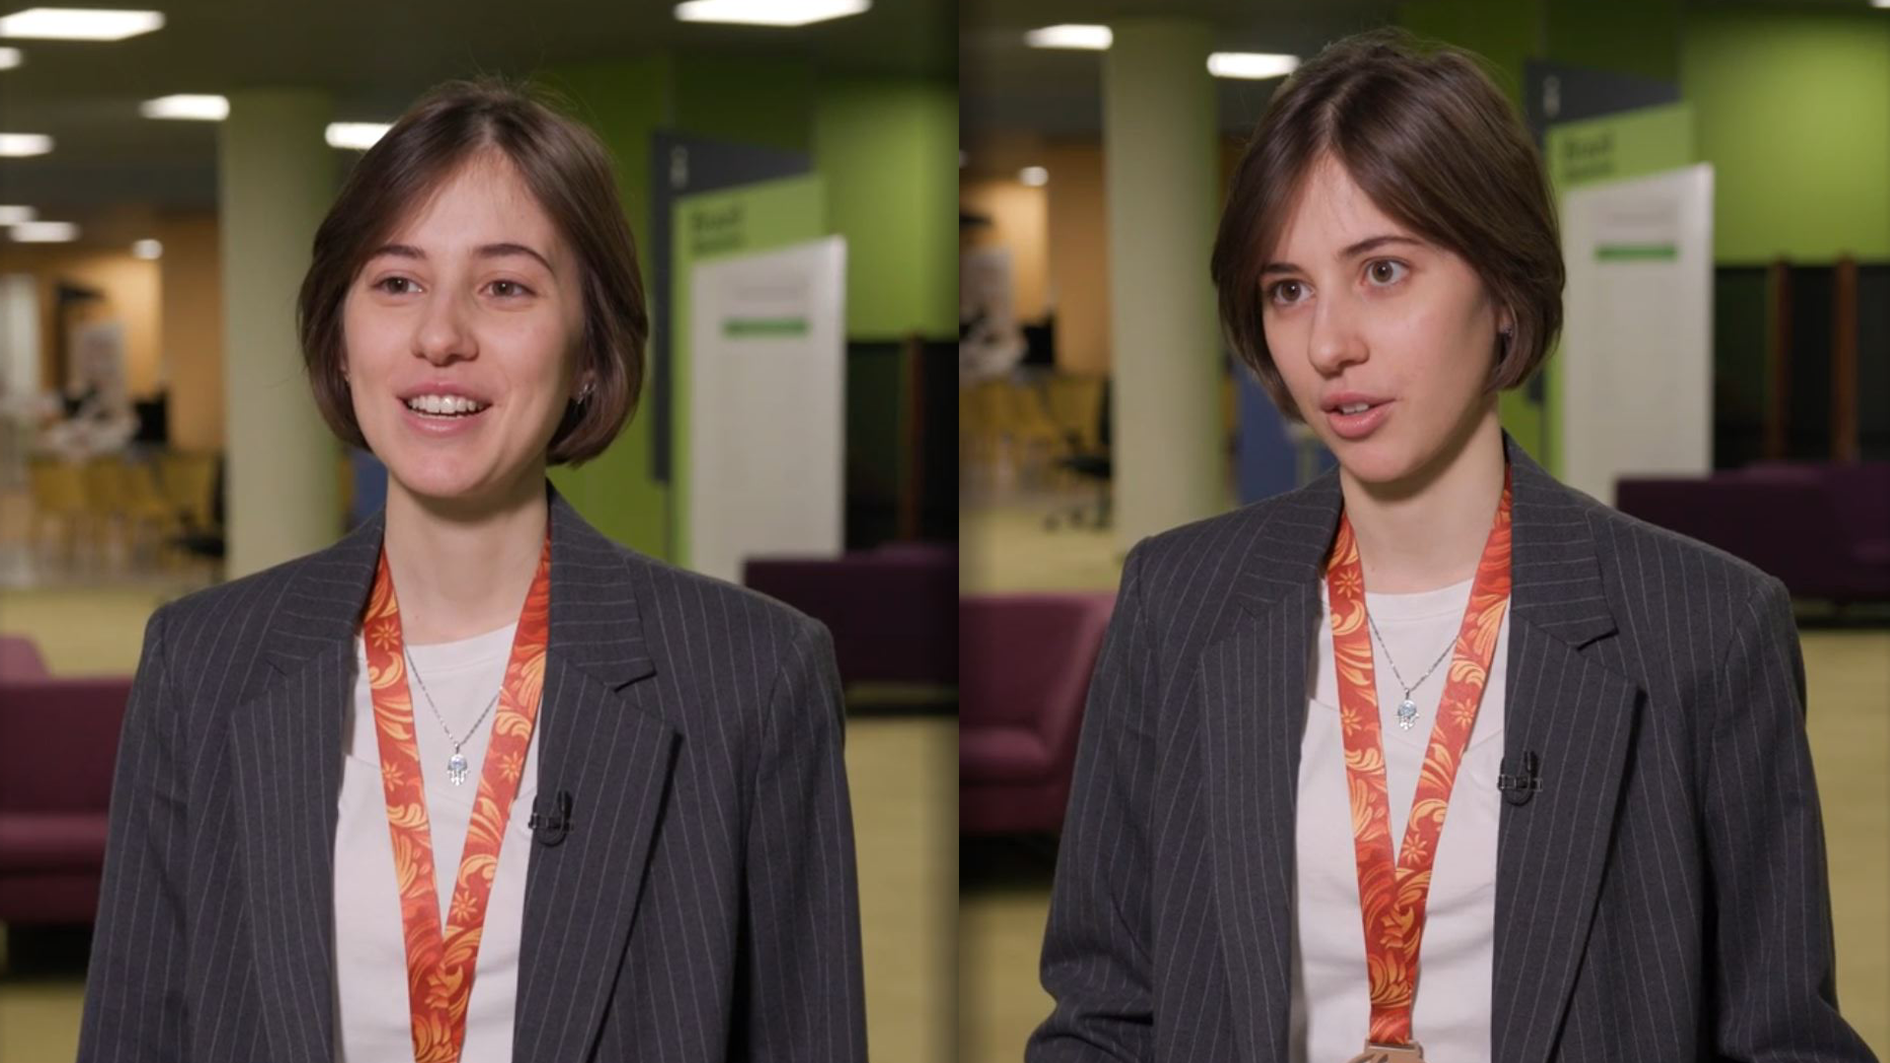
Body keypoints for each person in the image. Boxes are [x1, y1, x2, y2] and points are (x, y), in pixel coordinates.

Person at [1028, 30, 1876, 1063]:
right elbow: (1102, 1017)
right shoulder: (1178, 599)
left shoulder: (1705, 627)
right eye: (1288, 288)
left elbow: (1785, 1040)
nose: (1329, 344)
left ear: (1505, 290)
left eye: (1383, 271)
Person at [77, 78, 867, 1063]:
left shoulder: (751, 677)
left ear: (590, 349)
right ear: (340, 337)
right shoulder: (202, 664)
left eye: (506, 287)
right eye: (396, 282)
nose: (440, 336)